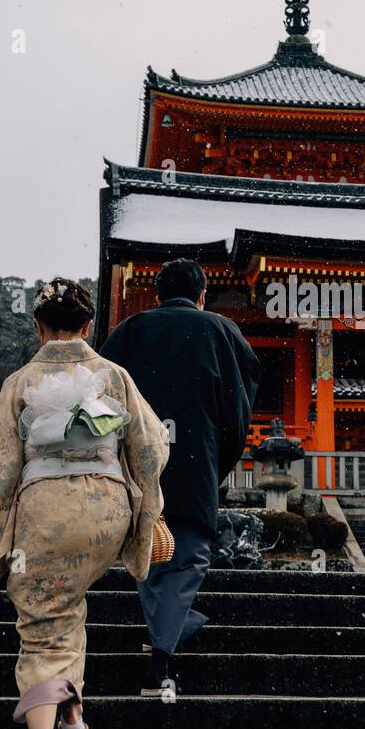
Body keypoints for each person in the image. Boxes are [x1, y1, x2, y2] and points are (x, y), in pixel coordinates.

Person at [0, 278, 170, 729]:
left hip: (45, 510)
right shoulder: (112, 375)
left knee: (44, 626)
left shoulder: (21, 380)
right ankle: (73, 716)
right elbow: (149, 446)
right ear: (89, 325)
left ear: (38, 325)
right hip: (105, 506)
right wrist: (147, 510)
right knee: (69, 605)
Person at [100, 258, 260, 692]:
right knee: (187, 554)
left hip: (138, 460)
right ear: (202, 294)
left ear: (156, 295)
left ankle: (169, 630)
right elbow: (238, 406)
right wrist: (220, 456)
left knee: (151, 555)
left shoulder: (130, 331)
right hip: (196, 457)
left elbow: (102, 399)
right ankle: (161, 658)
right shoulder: (222, 332)